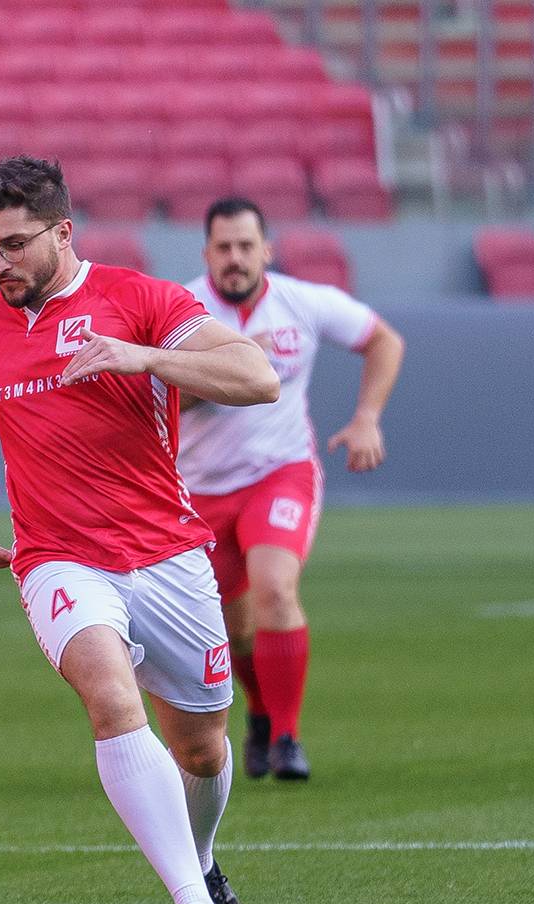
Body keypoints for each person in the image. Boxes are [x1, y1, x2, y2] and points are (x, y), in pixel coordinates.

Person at [0, 157, 280, 904]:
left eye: (13, 244)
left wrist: (145, 358)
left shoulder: (142, 300)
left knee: (200, 743)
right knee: (110, 697)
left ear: (63, 232)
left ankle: (204, 866)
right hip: (57, 558)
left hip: (169, 557)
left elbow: (257, 377)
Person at [180, 198, 406, 781]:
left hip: (280, 473)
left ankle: (286, 738)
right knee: (232, 628)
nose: (235, 258)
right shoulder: (181, 311)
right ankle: (259, 713)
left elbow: (384, 341)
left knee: (276, 591)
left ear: (267, 251)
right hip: (200, 489)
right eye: (224, 247)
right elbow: (156, 397)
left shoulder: (303, 302)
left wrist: (367, 419)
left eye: (246, 246)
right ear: (206, 254)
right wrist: (214, 377)